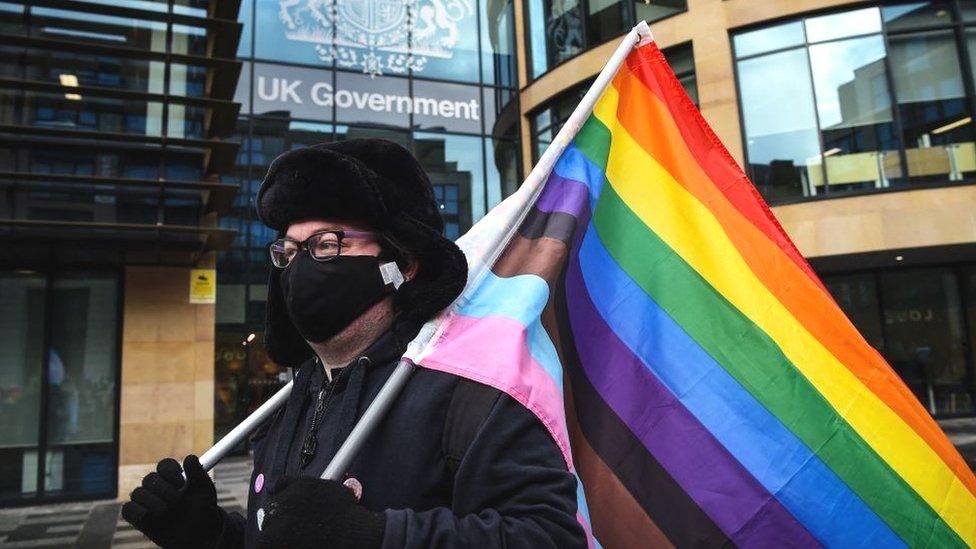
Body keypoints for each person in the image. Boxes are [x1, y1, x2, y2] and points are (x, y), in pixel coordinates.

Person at [120, 139, 586, 548]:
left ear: (401, 264)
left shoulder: (473, 392)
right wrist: (211, 537)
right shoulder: (287, 404)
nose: (300, 266)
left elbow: (550, 536)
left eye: (326, 243)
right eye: (288, 250)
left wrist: (377, 538)